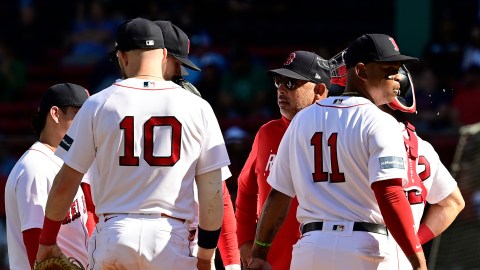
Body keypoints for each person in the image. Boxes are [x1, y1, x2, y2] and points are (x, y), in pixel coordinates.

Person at [35, 17, 228, 270]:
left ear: (122, 57)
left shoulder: (98, 104)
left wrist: (47, 240)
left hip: (114, 234)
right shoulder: (198, 107)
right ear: (164, 55)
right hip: (170, 236)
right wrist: (205, 255)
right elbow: (212, 193)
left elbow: (65, 184)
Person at [248, 33, 427, 270]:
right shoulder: (380, 122)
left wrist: (260, 252)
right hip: (365, 248)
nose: (397, 77)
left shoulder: (302, 119)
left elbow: (279, 195)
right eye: (389, 69)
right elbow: (390, 195)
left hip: (311, 249)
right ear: (361, 71)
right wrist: (418, 262)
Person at [329, 48, 465, 268]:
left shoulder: (350, 136)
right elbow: (453, 202)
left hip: (360, 247)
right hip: (398, 254)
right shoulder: (422, 146)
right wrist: (413, 244)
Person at [156, 19, 241, 270]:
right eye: (178, 64)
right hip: (182, 242)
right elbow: (219, 196)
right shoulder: (191, 102)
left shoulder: (108, 103)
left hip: (125, 236)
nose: (181, 73)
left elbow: (220, 195)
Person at [235, 50, 330, 269]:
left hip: (321, 256)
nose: (281, 89)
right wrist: (245, 240)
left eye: (291, 83)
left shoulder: (337, 133)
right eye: (278, 81)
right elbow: (246, 191)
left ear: (319, 90)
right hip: (269, 257)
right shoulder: (267, 133)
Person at [5, 83, 90, 269]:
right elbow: (37, 247)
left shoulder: (70, 161)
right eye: (80, 115)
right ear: (55, 114)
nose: (86, 124)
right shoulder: (34, 168)